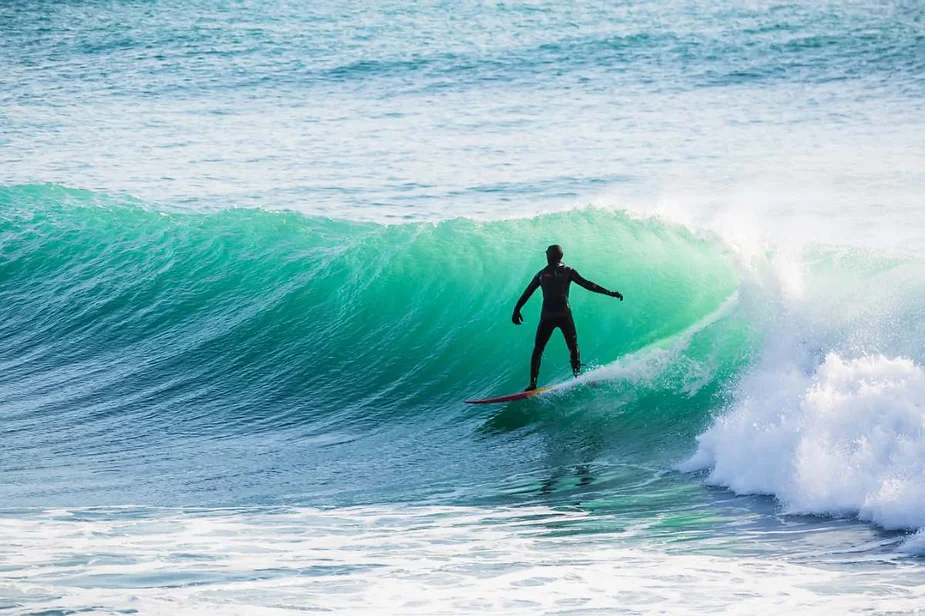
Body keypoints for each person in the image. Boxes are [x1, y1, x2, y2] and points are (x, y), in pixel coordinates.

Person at [512, 244, 622, 390]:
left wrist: (517, 309)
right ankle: (577, 376)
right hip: (564, 314)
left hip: (547, 315)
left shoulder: (541, 274)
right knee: (573, 346)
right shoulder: (568, 271)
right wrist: (610, 293)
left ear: (549, 256)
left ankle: (533, 383)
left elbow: (527, 293)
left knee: (538, 349)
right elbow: (588, 284)